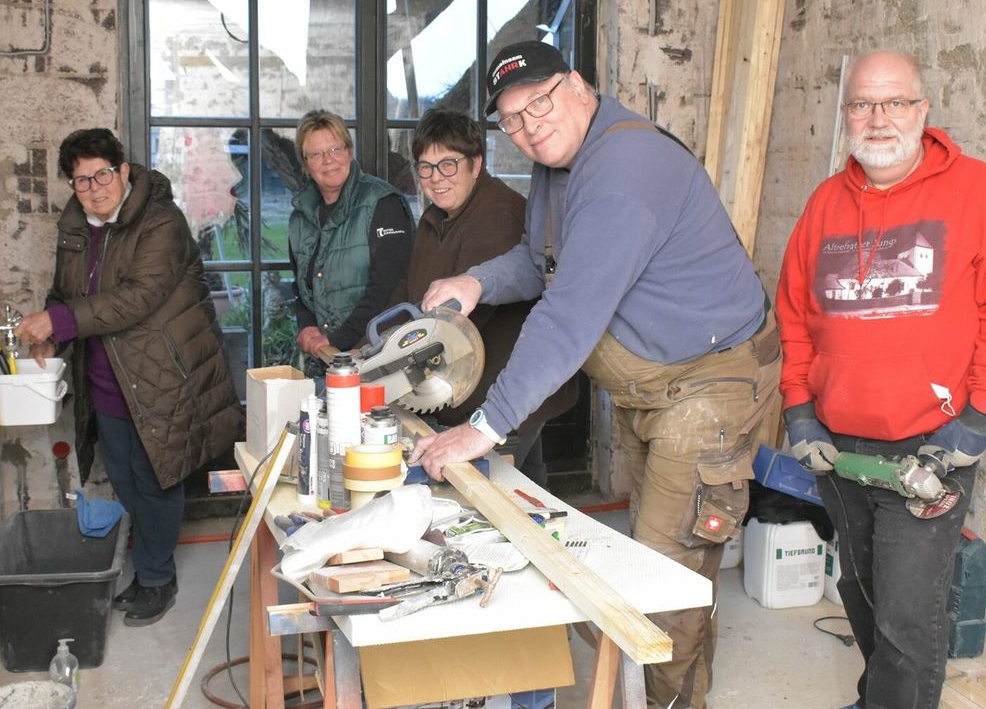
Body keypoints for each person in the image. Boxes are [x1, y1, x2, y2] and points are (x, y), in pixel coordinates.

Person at [410, 41, 781, 709]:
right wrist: (476, 280)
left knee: (661, 582)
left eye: (539, 103)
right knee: (666, 557)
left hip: (709, 386)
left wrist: (485, 427)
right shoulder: (561, 167)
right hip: (657, 386)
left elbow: (567, 312)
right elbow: (539, 260)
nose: (528, 125)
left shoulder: (623, 168)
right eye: (511, 119)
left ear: (577, 85)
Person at [776, 50, 986, 709]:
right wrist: (799, 409)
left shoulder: (977, 192)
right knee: (861, 597)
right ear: (846, 116)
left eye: (894, 102)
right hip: (839, 446)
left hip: (930, 445)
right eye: (863, 104)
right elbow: (795, 314)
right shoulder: (824, 204)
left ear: (922, 110)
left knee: (905, 618)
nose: (878, 118)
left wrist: (976, 420)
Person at [14, 128, 241, 627]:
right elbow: (64, 292)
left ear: (122, 170)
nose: (94, 189)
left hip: (161, 376)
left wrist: (60, 321)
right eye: (80, 181)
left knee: (157, 479)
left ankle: (156, 579)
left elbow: (139, 296)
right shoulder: (75, 225)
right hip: (106, 382)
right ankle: (150, 562)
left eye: (101, 175)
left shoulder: (162, 221)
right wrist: (56, 335)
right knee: (123, 478)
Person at [404, 107, 577, 487]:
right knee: (528, 490)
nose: (436, 178)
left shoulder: (499, 214)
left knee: (494, 494)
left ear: (476, 164)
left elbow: (455, 332)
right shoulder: (436, 217)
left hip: (507, 392)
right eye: (426, 167)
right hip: (494, 390)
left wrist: (390, 370)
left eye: (448, 164)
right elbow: (408, 293)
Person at [288, 110, 414, 361]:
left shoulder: (382, 203)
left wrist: (341, 338)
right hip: (329, 357)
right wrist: (307, 325)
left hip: (378, 353)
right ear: (305, 164)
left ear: (349, 151)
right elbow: (301, 288)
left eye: (335, 149)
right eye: (316, 154)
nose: (328, 160)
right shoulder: (300, 217)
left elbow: (388, 288)